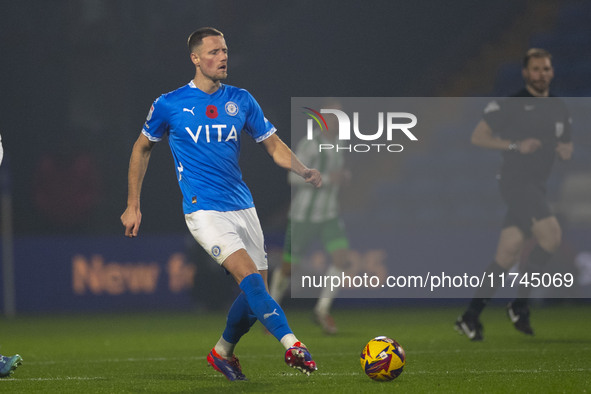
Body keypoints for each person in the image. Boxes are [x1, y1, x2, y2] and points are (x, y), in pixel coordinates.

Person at [121, 27, 321, 380]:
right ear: (196, 59)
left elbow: (273, 146)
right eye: (214, 52)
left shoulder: (241, 100)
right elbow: (141, 147)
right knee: (252, 283)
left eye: (225, 50)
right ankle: (293, 344)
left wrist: (304, 170)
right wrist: (133, 204)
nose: (223, 56)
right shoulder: (169, 103)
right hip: (204, 210)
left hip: (243, 206)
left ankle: (222, 352)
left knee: (252, 293)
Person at [455, 48, 573, 341]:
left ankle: (469, 317)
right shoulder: (512, 104)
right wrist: (514, 145)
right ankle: (520, 305)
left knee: (506, 255)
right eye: (535, 69)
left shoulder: (559, 108)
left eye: (546, 69)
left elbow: (567, 147)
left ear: (552, 72)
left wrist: (564, 150)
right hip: (516, 183)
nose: (541, 74)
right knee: (551, 236)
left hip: (537, 186)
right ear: (525, 73)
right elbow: (477, 136)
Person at [269, 104, 351, 335]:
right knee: (288, 268)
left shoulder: (340, 143)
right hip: (303, 216)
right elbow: (292, 178)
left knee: (342, 259)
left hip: (329, 215)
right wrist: (327, 178)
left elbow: (339, 173)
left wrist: (344, 177)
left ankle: (322, 310)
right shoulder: (310, 144)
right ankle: (272, 312)